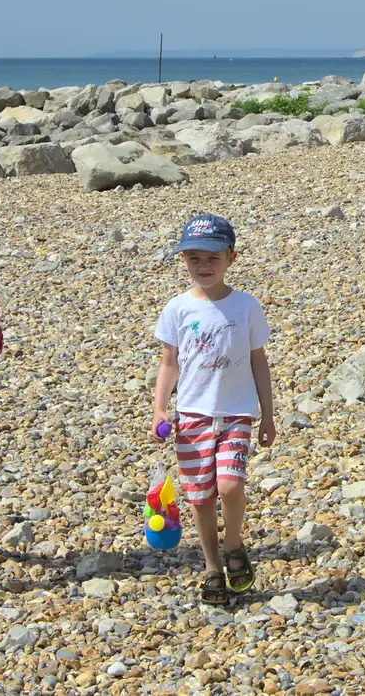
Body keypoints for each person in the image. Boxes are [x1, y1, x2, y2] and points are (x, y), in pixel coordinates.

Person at [152, 214, 276, 605]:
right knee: (200, 497)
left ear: (231, 258)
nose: (203, 267)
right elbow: (169, 363)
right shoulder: (177, 308)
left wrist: (268, 414)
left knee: (230, 485)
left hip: (237, 412)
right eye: (193, 258)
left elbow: (259, 361)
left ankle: (234, 544)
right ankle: (211, 566)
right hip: (192, 416)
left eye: (213, 258)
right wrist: (159, 409)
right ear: (184, 261)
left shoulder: (246, 306)